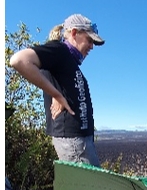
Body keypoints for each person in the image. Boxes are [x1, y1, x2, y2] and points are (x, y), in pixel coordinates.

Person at [9, 14, 105, 167]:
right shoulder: (59, 50)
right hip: (74, 141)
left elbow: (49, 74)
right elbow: (19, 60)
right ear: (74, 33)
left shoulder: (66, 59)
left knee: (90, 189)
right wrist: (56, 95)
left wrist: (56, 91)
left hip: (80, 141)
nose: (92, 46)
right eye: (89, 40)